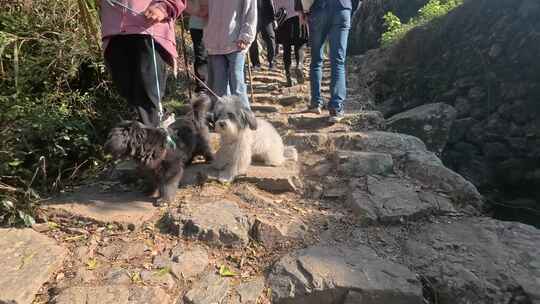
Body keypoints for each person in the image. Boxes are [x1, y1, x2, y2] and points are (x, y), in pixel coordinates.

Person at [100, 0, 186, 127]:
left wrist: (163, 7)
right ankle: (145, 136)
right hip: (114, 31)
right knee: (127, 95)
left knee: (148, 97)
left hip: (148, 31)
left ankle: (154, 138)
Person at [295, 0, 359, 122]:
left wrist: (301, 10)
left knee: (316, 59)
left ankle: (316, 102)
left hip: (319, 9)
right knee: (338, 61)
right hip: (342, 7)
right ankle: (336, 107)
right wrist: (349, 9)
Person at [202, 0, 257, 109]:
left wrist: (246, 36)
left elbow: (251, 11)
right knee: (219, 89)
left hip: (236, 41)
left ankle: (244, 119)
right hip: (214, 44)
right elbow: (203, 10)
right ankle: (225, 119)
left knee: (237, 84)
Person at [273, 0, 308, 87]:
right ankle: (299, 65)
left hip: (283, 18)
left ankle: (288, 76)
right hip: (297, 16)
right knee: (299, 45)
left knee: (286, 48)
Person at [249, 0, 277, 70]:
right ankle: (256, 63)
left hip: (266, 15)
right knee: (252, 39)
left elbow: (271, 2)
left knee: (271, 38)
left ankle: (272, 62)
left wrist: (274, 19)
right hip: (253, 15)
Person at [188, 15, 208, 92]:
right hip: (197, 25)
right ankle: (202, 89)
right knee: (201, 57)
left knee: (216, 58)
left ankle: (218, 89)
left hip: (218, 25)